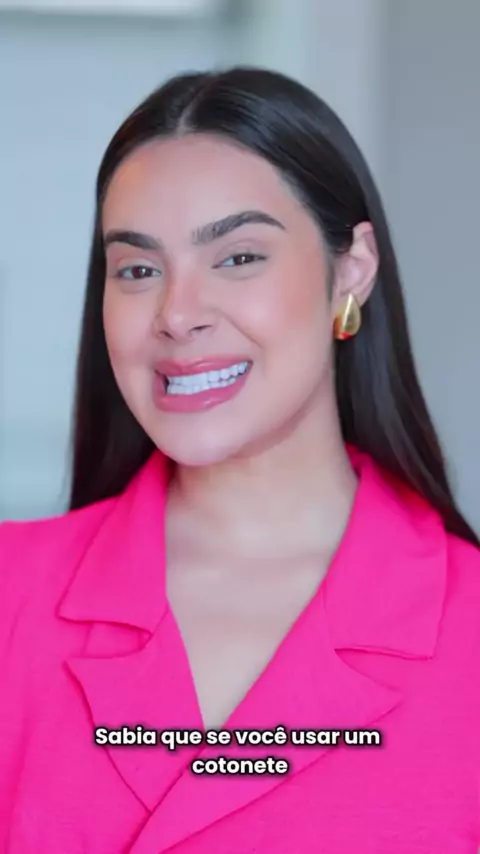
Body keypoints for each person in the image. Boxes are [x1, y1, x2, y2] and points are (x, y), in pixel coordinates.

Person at [0, 66, 479, 854]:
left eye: (238, 257)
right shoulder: (13, 595)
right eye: (139, 270)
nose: (178, 315)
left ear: (351, 269)